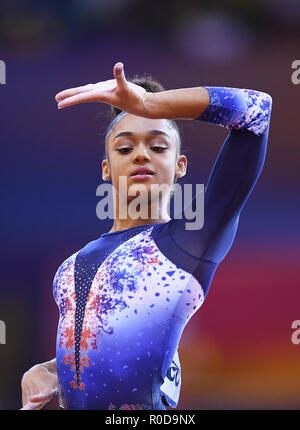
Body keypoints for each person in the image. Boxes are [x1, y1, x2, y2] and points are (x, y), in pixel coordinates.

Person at [21, 62, 272, 410]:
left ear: (179, 165)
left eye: (157, 146)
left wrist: (152, 104)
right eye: (125, 149)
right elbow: (112, 350)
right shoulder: (70, 267)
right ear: (106, 168)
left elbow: (258, 111)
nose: (141, 154)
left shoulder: (190, 240)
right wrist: (48, 369)